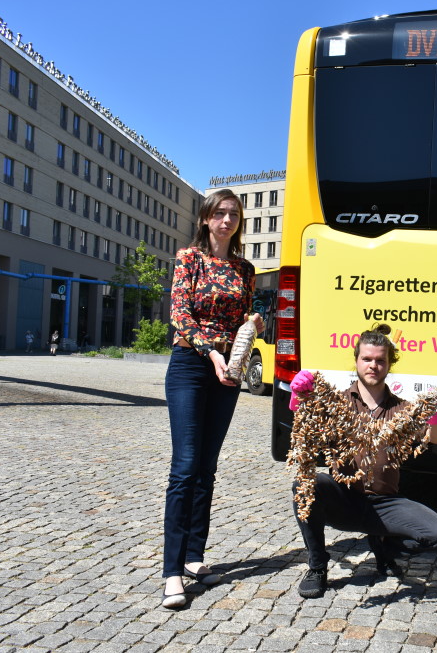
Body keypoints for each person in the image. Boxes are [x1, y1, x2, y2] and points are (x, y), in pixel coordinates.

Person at [289, 325, 437, 599]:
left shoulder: (402, 409)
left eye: (380, 360)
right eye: (367, 359)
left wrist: (436, 412)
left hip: (385, 503)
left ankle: (384, 547)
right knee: (305, 484)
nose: (373, 366)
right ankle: (317, 566)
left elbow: (434, 439)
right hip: (344, 497)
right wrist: (299, 400)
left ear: (390, 364)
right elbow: (307, 433)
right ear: (356, 361)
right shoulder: (336, 403)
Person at [161, 189, 264, 609]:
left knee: (207, 467)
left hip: (230, 371)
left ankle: (194, 557)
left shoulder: (244, 268)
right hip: (191, 364)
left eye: (233, 214)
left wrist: (254, 321)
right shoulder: (190, 258)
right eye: (219, 213)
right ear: (206, 218)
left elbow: (244, 317)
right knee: (185, 467)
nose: (226, 220)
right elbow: (179, 314)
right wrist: (213, 352)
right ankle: (171, 573)